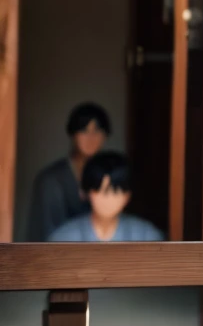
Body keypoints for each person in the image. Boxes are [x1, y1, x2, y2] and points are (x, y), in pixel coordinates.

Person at [26, 101, 111, 241]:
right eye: (84, 130)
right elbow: (46, 233)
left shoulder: (111, 176)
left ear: (105, 135)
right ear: (73, 134)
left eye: (97, 130)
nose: (91, 137)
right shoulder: (51, 179)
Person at [48, 151, 163, 242]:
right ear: (86, 192)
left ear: (127, 196)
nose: (108, 199)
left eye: (115, 191)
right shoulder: (63, 238)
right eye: (100, 190)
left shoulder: (147, 236)